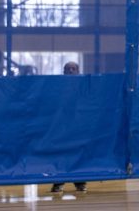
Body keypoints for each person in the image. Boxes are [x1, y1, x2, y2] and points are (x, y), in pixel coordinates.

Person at [50, 61, 87, 194]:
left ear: (78, 71)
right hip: (62, 127)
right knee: (61, 154)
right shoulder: (58, 87)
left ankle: (80, 183)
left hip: (78, 126)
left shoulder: (84, 87)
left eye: (73, 69)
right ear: (64, 71)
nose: (71, 71)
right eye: (68, 69)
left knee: (78, 153)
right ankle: (58, 183)